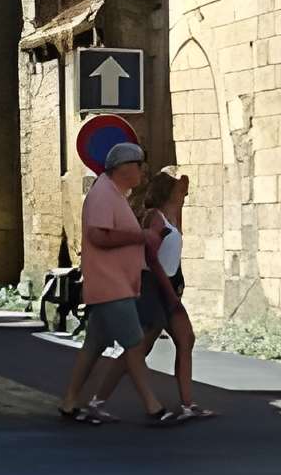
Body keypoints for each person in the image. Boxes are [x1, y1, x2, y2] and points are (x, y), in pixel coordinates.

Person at [55, 141, 170, 427]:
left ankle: (70, 401)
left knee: (94, 345)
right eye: (139, 165)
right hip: (110, 284)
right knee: (133, 343)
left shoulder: (113, 193)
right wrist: (141, 236)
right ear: (124, 167)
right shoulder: (104, 194)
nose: (143, 171)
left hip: (113, 283)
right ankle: (153, 406)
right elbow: (98, 236)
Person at [135, 169, 210, 422]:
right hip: (155, 288)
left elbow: (184, 187)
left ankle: (188, 405)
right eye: (179, 192)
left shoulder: (173, 216)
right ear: (168, 194)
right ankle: (97, 395)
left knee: (186, 339)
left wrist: (182, 181)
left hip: (169, 287)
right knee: (139, 349)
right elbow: (150, 257)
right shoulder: (154, 218)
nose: (185, 195)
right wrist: (168, 292)